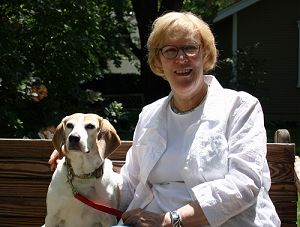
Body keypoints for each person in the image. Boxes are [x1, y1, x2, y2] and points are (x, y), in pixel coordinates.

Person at [49, 11, 280, 226]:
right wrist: (79, 156)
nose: (181, 58)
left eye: (190, 48)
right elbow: (129, 184)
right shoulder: (149, 115)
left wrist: (172, 220)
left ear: (205, 54)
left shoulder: (240, 107)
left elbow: (244, 184)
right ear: (158, 61)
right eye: (170, 50)